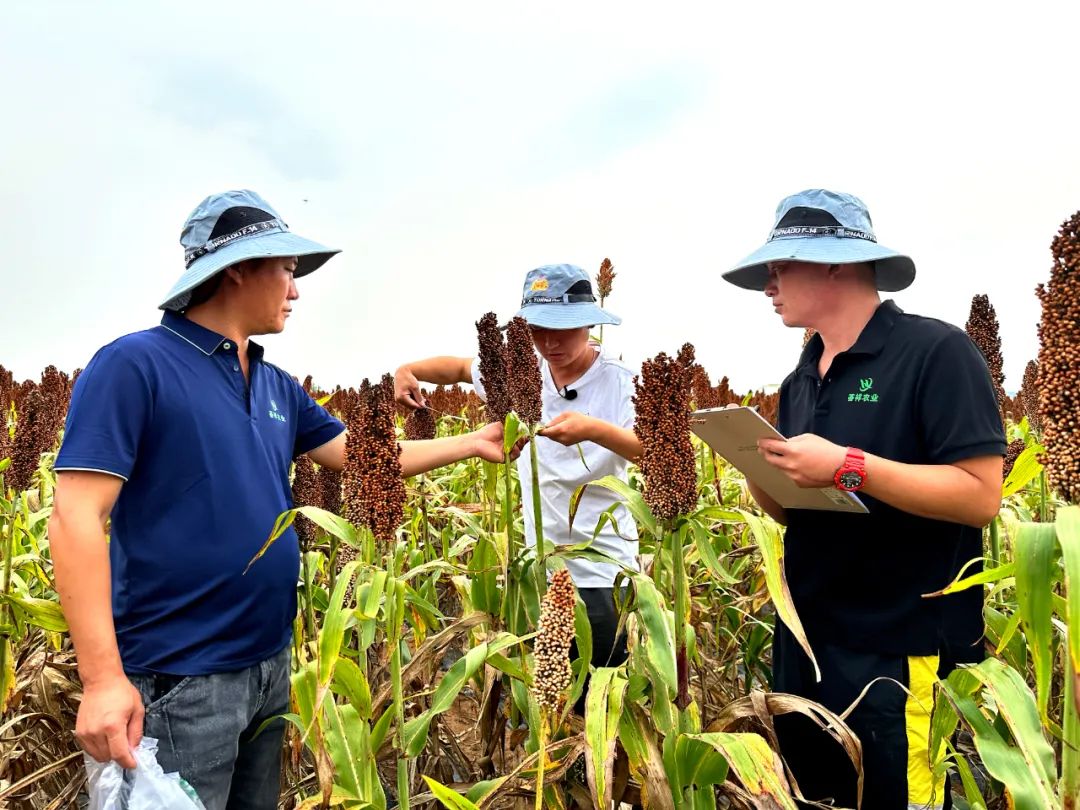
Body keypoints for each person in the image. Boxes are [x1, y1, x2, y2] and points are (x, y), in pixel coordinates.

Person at [49, 189, 508, 810]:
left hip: (267, 667)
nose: (296, 290)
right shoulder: (135, 365)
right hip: (180, 679)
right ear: (237, 268)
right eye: (287, 270)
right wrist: (102, 679)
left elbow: (365, 459)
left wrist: (472, 443)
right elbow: (75, 515)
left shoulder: (275, 384)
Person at [722, 189, 1005, 809]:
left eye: (779, 267)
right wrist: (763, 476)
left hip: (898, 653)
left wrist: (849, 467)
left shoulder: (936, 353)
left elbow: (981, 495)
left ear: (835, 263)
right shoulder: (802, 377)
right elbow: (800, 513)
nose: (769, 285)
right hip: (807, 643)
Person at [394, 263, 641, 680]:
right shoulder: (522, 376)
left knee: (599, 702)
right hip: (538, 574)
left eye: (563, 329)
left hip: (603, 577)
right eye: (538, 330)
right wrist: (408, 370)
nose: (550, 342)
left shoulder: (619, 382)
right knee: (547, 702)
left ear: (588, 324)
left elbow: (658, 451)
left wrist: (593, 431)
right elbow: (456, 368)